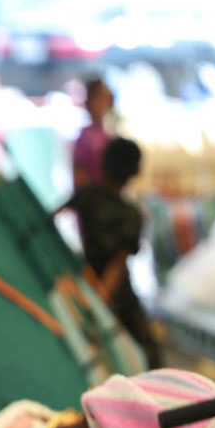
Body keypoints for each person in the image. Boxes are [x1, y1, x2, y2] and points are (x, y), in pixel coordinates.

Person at [69, 136, 160, 368]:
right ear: (135, 171)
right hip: (118, 295)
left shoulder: (87, 196)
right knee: (148, 354)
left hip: (84, 281)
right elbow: (117, 265)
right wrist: (100, 303)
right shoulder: (131, 215)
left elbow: (48, 221)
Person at [72, 77, 113, 191]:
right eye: (99, 98)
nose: (102, 103)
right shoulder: (85, 137)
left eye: (105, 98)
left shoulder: (109, 133)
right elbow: (79, 175)